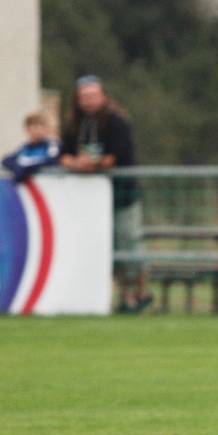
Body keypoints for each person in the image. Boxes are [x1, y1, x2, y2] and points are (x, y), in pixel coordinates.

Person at [60, 75, 151, 313]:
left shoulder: (117, 122)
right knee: (105, 246)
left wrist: (89, 165)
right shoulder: (74, 124)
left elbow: (115, 158)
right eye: (83, 97)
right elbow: (63, 153)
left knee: (128, 241)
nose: (88, 101)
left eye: (92, 96)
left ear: (103, 96)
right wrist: (74, 163)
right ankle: (121, 296)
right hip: (90, 201)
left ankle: (139, 292)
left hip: (123, 195)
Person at [1, 112, 60, 182]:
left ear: (47, 129)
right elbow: (7, 160)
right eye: (32, 128)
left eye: (39, 127)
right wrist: (17, 167)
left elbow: (51, 160)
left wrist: (26, 168)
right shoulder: (24, 147)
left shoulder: (52, 144)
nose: (36, 131)